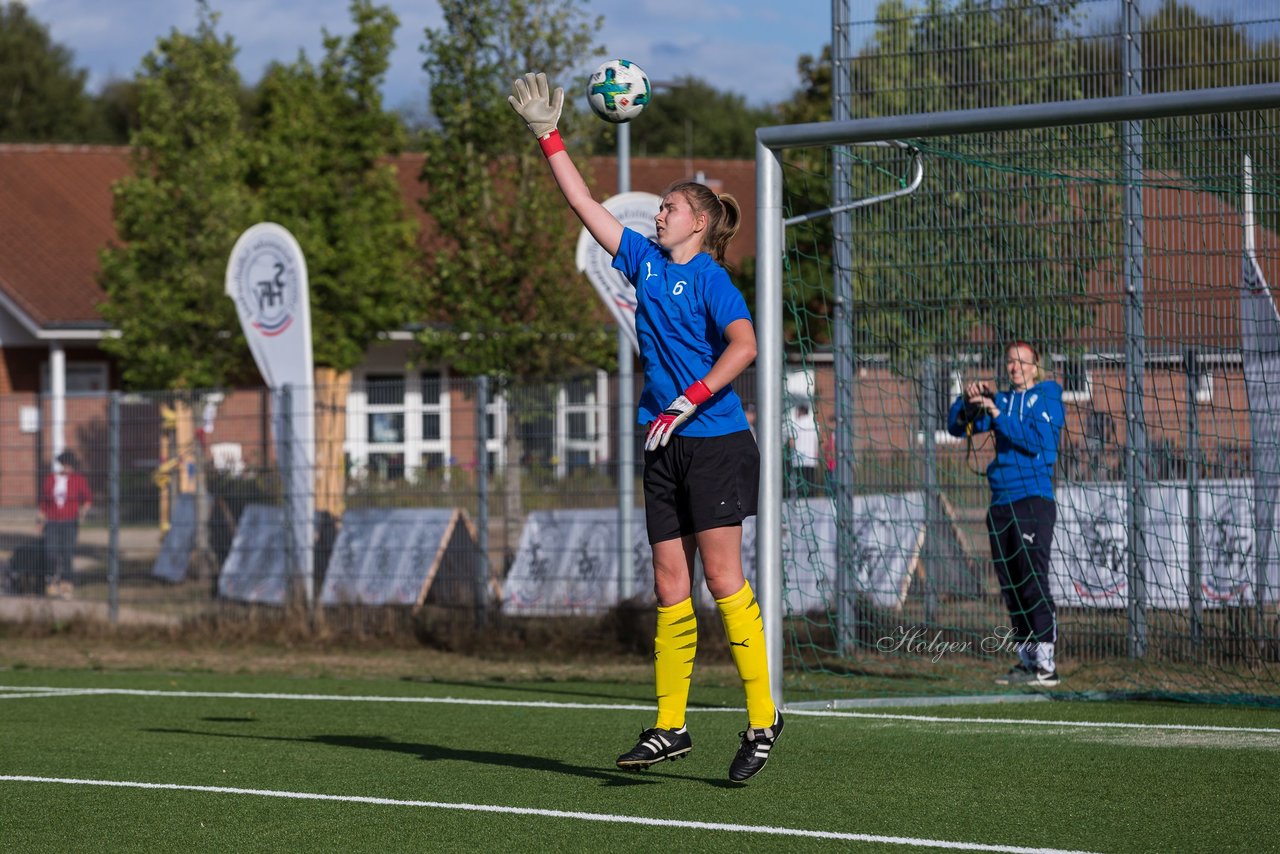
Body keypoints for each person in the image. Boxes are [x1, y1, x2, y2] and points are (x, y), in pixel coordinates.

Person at [509, 72, 782, 782]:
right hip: (663, 440)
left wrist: (691, 398)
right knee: (669, 583)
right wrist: (549, 136)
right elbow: (581, 202)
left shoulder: (714, 279)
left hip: (715, 440)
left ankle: (762, 719)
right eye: (658, 209)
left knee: (724, 580)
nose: (656, 215)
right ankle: (670, 725)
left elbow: (745, 347)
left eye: (667, 208)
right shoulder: (643, 262)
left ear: (698, 222)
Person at [948, 341, 1064, 687]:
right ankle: (1027, 660)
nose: (1014, 367)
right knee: (1011, 584)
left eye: (1021, 361)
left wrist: (999, 415)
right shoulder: (1002, 401)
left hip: (1033, 500)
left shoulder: (1047, 395)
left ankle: (1047, 663)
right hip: (1000, 503)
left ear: (1035, 366)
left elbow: (1039, 444)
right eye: (1009, 361)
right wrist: (968, 400)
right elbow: (956, 428)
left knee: (1032, 579)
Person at [38, 450, 92, 599]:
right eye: (65, 465)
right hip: (53, 521)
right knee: (51, 553)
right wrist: (40, 520)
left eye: (70, 465)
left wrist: (83, 512)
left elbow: (87, 498)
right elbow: (44, 502)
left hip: (70, 521)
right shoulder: (50, 479)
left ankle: (66, 584)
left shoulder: (78, 479)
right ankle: (52, 581)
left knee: (67, 553)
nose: (67, 468)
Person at [787, 403, 820, 495]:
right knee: (811, 482)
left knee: (800, 482)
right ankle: (811, 498)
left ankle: (801, 498)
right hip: (811, 459)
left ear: (799, 412)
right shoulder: (815, 425)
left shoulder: (795, 424)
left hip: (799, 459)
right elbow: (817, 442)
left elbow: (791, 442)